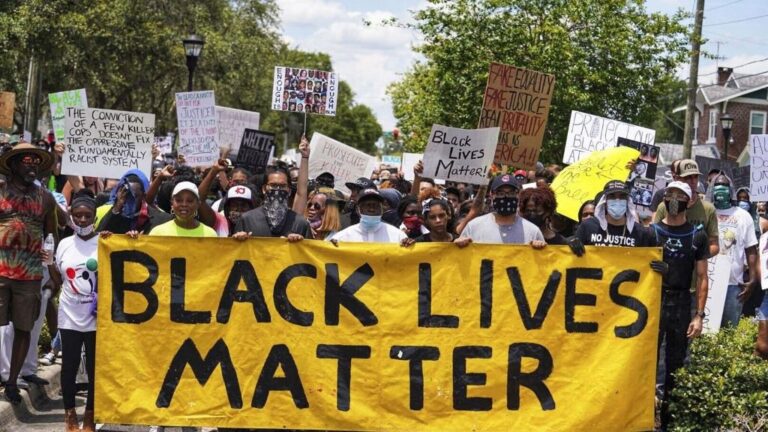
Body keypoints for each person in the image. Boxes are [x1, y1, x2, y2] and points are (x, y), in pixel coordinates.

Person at [0, 142, 59, 404]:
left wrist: (52, 265)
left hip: (30, 275)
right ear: (13, 165)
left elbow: (51, 234)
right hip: (0, 271)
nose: (32, 165)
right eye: (26, 160)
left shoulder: (45, 197)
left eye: (36, 161)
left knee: (24, 328)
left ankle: (12, 382)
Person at [650, 181, 709, 429]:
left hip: (681, 301)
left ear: (690, 200)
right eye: (669, 193)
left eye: (680, 195)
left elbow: (703, 277)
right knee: (647, 360)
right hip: (653, 301)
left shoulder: (697, 234)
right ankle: (643, 416)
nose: (674, 198)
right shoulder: (650, 232)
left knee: (675, 363)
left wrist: (699, 316)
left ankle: (668, 420)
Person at [46, 190, 98, 432]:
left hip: (96, 318)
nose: (83, 220)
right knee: (69, 366)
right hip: (69, 315)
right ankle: (70, 417)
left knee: (94, 369)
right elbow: (58, 279)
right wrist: (48, 263)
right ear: (72, 217)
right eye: (78, 216)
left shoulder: (105, 243)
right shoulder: (65, 244)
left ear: (95, 217)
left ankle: (89, 415)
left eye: (88, 216)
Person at [708, 174, 758, 327]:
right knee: (707, 332)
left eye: (724, 186)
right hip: (708, 283)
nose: (721, 190)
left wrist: (753, 279)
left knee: (729, 331)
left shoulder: (743, 216)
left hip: (734, 285)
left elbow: (751, 250)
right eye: (717, 186)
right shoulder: (707, 213)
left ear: (731, 190)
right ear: (712, 190)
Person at [654, 159, 719, 257]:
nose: (693, 182)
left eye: (696, 177)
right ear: (678, 179)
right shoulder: (664, 206)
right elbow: (654, 238)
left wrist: (695, 257)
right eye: (688, 177)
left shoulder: (708, 209)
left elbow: (714, 245)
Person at [459, 174, 545, 247]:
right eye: (500, 193)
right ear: (492, 195)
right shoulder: (473, 227)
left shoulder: (533, 231)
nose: (506, 197)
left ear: (518, 195)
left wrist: (539, 250)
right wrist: (458, 246)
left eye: (511, 193)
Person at [233, 167, 311, 240]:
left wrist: (300, 243)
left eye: (283, 186)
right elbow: (235, 251)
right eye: (273, 185)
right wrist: (238, 239)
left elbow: (309, 252)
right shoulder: (247, 220)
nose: (278, 190)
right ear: (264, 189)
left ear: (289, 191)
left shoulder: (300, 223)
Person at [574, 180, 657, 248]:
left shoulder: (640, 232)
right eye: (612, 196)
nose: (617, 200)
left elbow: (649, 259)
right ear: (604, 201)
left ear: (628, 201)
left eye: (622, 196)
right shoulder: (588, 226)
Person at [97, 169, 172, 235]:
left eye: (134, 196)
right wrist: (116, 209)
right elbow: (98, 237)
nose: (128, 201)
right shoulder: (114, 214)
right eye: (125, 195)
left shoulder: (160, 218)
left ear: (143, 196)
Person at [330, 189, 407, 243]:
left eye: (375, 206)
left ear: (382, 209)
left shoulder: (397, 236)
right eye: (368, 205)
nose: (372, 209)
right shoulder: (343, 237)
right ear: (358, 210)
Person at [147, 182, 217, 238]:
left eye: (190, 201)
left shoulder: (210, 235)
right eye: (179, 200)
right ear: (172, 203)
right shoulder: (157, 233)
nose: (184, 204)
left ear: (198, 204)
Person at [401, 198, 471, 247]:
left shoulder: (459, 241)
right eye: (432, 217)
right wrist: (407, 245)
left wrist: (467, 244)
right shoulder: (418, 243)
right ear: (426, 220)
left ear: (449, 215)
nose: (438, 220)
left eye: (441, 215)